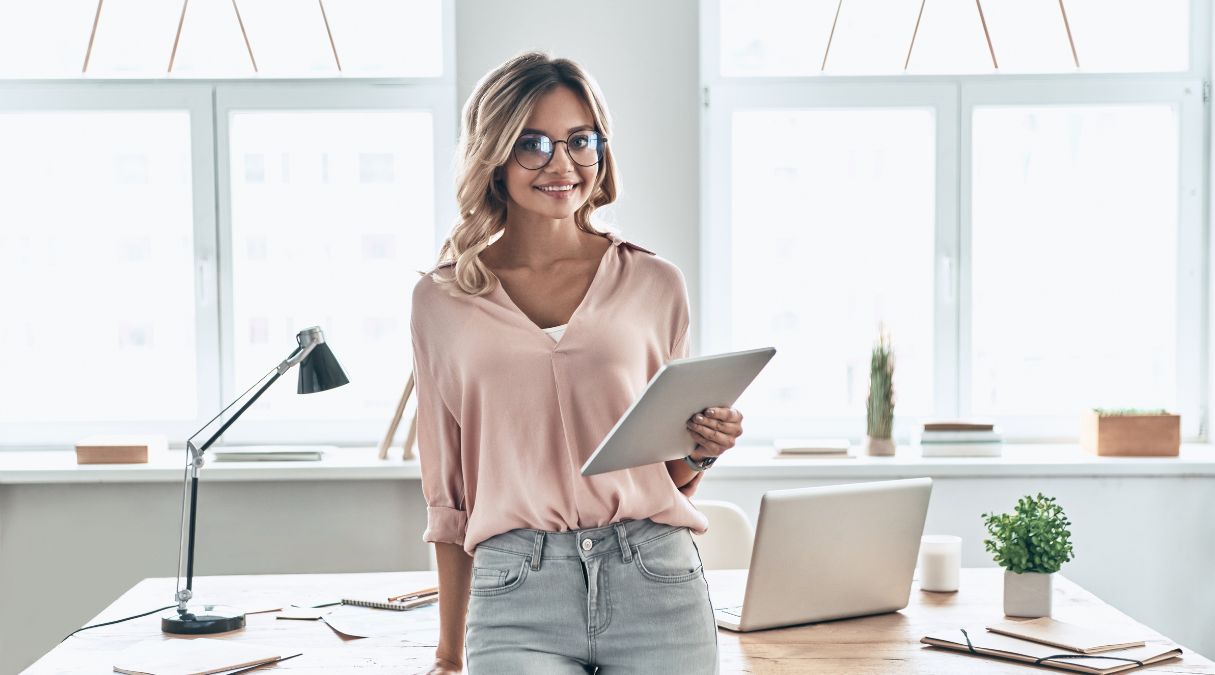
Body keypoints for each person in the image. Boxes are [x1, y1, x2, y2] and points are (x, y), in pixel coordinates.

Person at [410, 51, 745, 674]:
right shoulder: (443, 298)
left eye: (580, 141)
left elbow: (660, 472)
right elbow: (449, 499)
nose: (562, 164)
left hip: (656, 580)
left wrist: (702, 447)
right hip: (515, 592)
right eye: (533, 143)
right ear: (495, 155)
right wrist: (449, 654)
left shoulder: (654, 282)